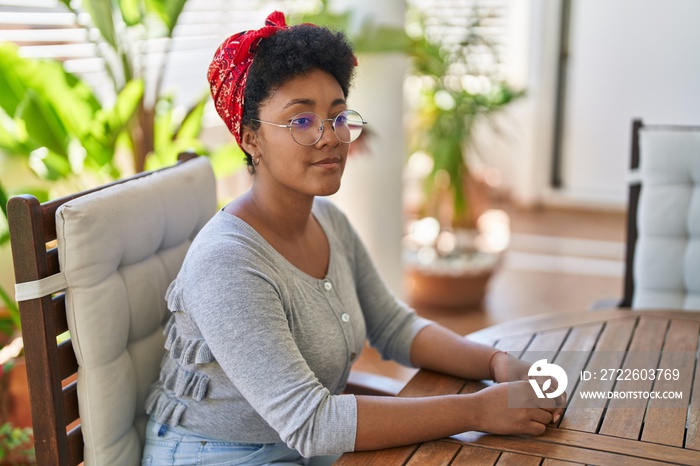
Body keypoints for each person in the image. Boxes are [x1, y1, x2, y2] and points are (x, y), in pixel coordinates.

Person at [142, 11, 564, 466]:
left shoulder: (327, 220)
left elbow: (394, 327)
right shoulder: (228, 262)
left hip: (305, 442)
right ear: (251, 140)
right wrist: (479, 409)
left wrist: (495, 364)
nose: (330, 138)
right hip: (217, 454)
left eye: (338, 116)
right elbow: (313, 422)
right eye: (301, 121)